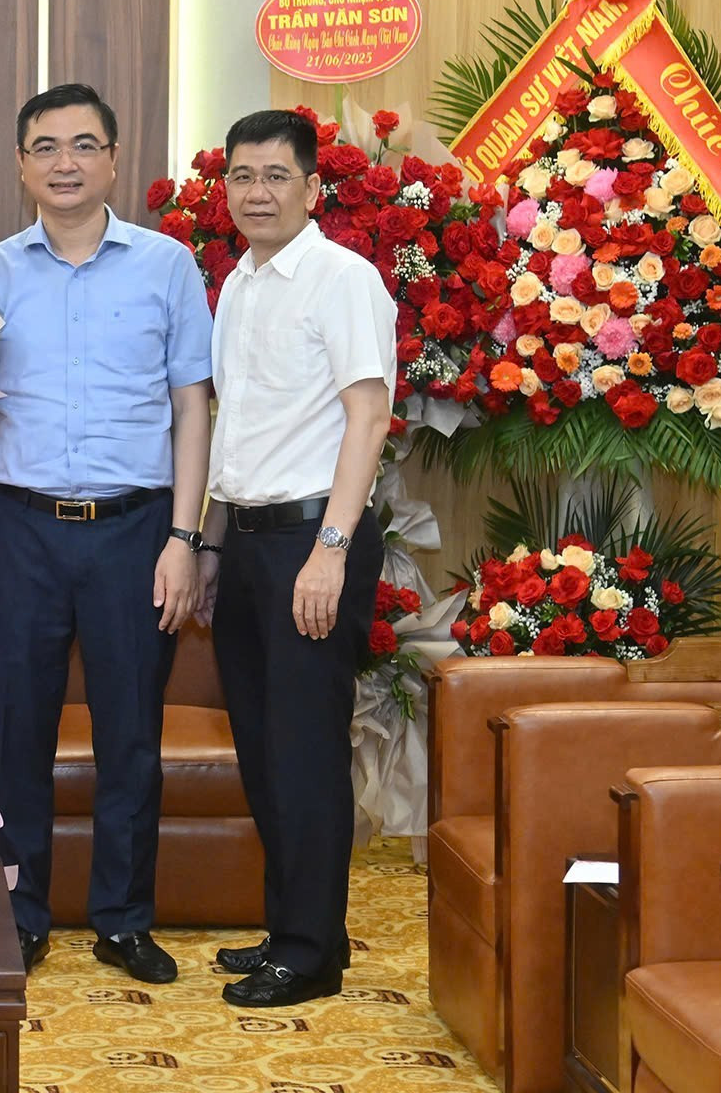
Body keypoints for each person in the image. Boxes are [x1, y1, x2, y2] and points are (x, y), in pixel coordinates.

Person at [0, 83, 213, 983]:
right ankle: (18, 913)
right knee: (17, 729)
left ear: (113, 158)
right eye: (47, 147)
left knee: (129, 733)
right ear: (21, 164)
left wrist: (186, 536)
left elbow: (191, 403)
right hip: (18, 528)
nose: (66, 163)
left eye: (84, 145)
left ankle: (123, 920)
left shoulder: (167, 266)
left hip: (135, 531)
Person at [197, 109, 394, 1007]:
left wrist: (332, 551)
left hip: (314, 543)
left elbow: (368, 414)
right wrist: (208, 539)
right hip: (247, 538)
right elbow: (236, 427)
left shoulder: (341, 278)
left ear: (313, 188)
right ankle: (292, 930)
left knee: (307, 752)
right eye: (243, 175)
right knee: (265, 749)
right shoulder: (239, 283)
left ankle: (311, 953)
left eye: (277, 175)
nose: (257, 192)